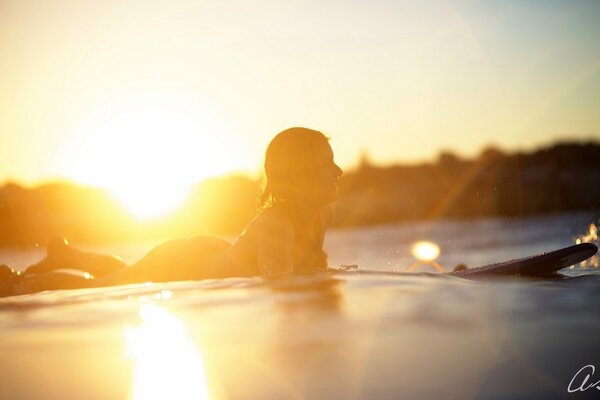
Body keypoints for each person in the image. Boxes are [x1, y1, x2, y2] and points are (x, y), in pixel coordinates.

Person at [0, 127, 343, 296]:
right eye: (328, 165)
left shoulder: (319, 214)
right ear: (300, 175)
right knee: (105, 286)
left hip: (210, 254)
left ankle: (70, 255)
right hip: (183, 264)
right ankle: (16, 284)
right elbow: (280, 290)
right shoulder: (277, 224)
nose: (339, 171)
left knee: (130, 275)